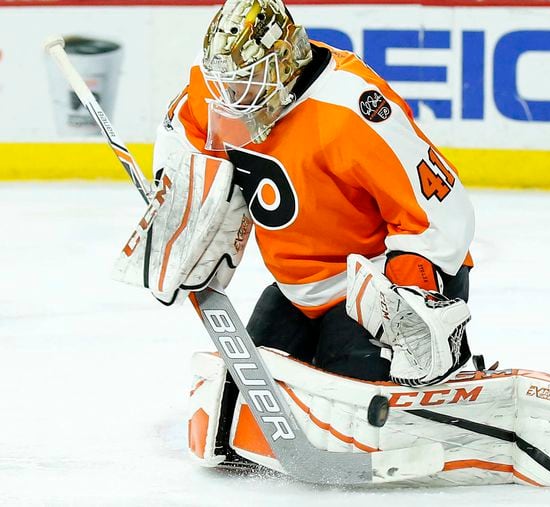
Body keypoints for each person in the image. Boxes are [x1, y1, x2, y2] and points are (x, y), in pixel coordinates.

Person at [148, 0, 476, 385]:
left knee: (352, 393)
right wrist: (180, 208)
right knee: (244, 392)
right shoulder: (219, 86)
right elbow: (185, 134)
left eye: (249, 80)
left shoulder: (350, 108)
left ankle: (435, 360)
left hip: (375, 286)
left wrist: (411, 301)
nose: (234, 98)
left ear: (285, 60)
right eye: (229, 84)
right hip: (297, 292)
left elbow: (438, 209)